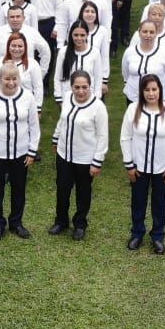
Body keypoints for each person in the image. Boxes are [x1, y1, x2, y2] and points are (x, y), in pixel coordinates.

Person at [0, 62, 39, 241]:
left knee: (19, 189)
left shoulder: (28, 97)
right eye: (7, 79)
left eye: (14, 78)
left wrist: (32, 151)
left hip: (20, 153)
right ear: (0, 79)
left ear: (19, 79)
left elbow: (34, 126)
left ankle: (16, 222)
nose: (11, 82)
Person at [121, 74, 165, 254]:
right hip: (138, 168)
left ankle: (157, 236)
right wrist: (129, 164)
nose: (151, 93)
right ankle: (137, 233)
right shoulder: (133, 109)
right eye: (146, 90)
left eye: (154, 89)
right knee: (138, 201)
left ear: (160, 90)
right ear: (141, 92)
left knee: (160, 202)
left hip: (162, 169)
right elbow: (125, 138)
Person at [49, 70, 108, 240]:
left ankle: (80, 224)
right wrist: (55, 138)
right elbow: (62, 119)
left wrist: (97, 161)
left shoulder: (98, 107)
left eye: (84, 87)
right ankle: (61, 221)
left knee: (83, 192)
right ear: (71, 87)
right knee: (62, 189)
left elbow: (103, 136)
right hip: (64, 155)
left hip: (85, 159)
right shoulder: (67, 98)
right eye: (77, 87)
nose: (81, 91)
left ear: (90, 87)